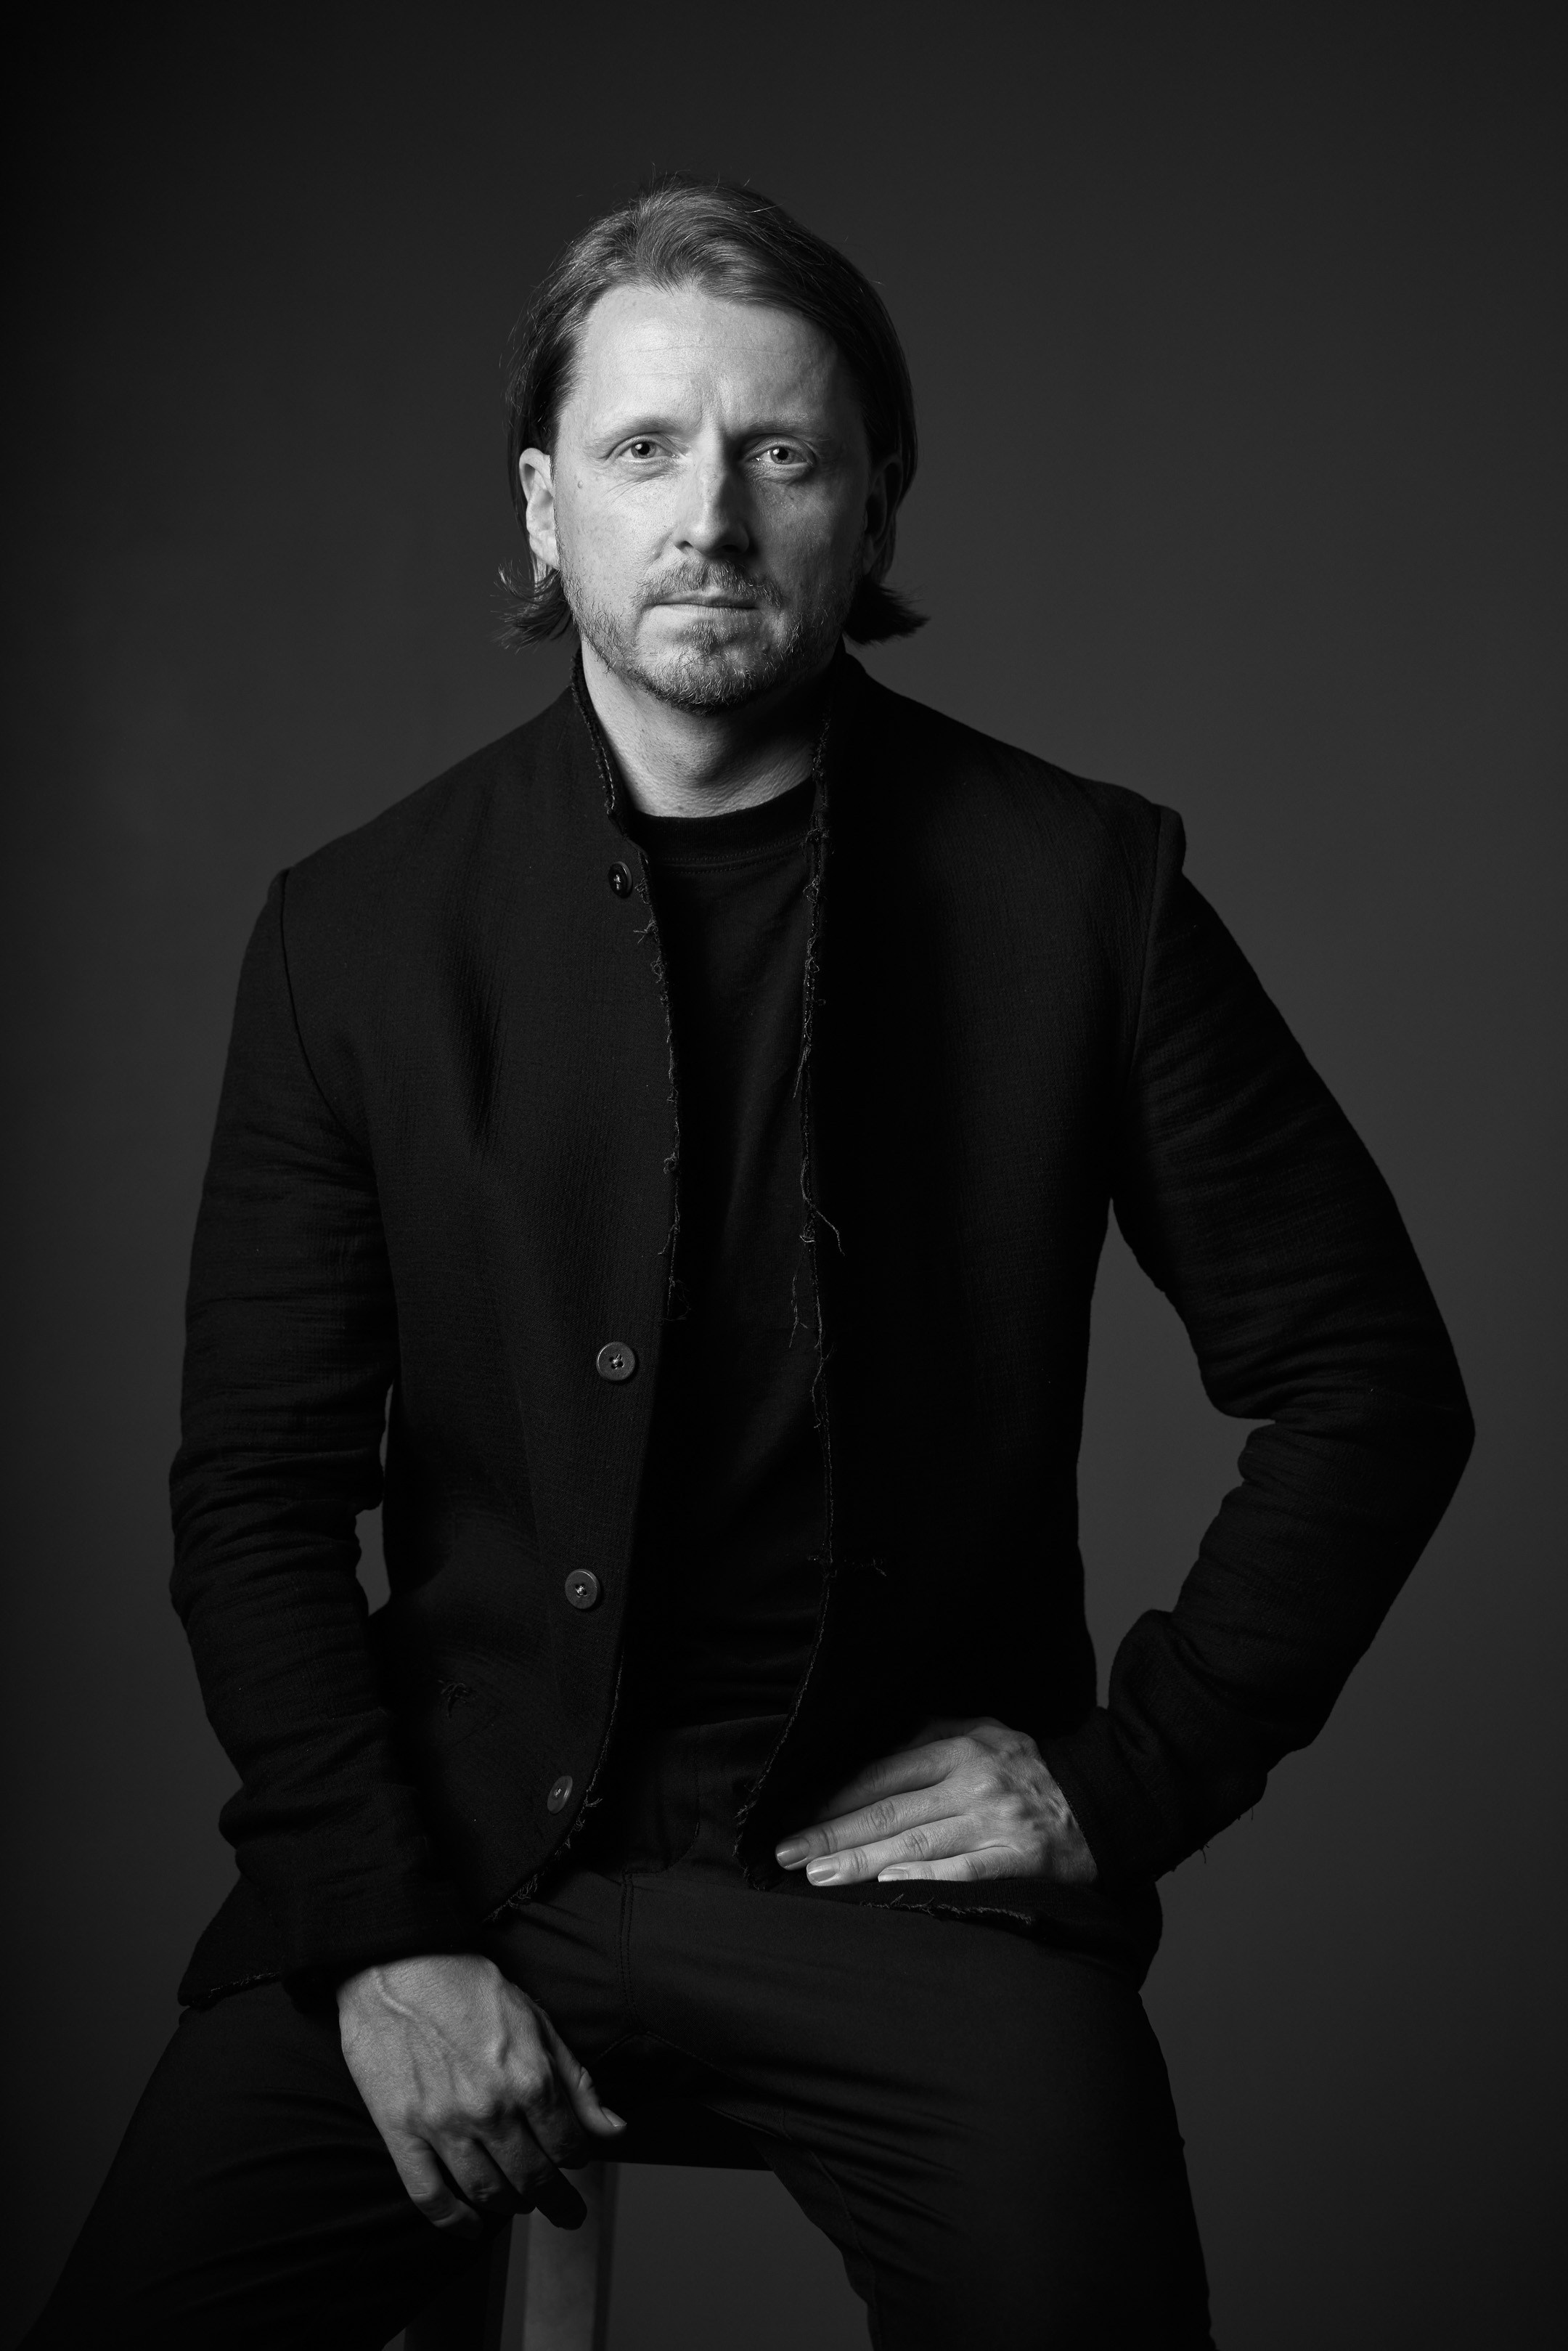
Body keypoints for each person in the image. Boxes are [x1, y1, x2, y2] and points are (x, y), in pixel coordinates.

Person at [28, 176, 1473, 2350]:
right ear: (546, 508)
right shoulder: (355, 934)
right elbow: (252, 1492)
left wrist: (1124, 1776)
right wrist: (377, 1936)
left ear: (871, 504)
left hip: (913, 1913)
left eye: (782, 455)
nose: (709, 515)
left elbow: (1368, 1379)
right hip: (454, 1874)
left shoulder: (1087, 890)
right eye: (643, 452)